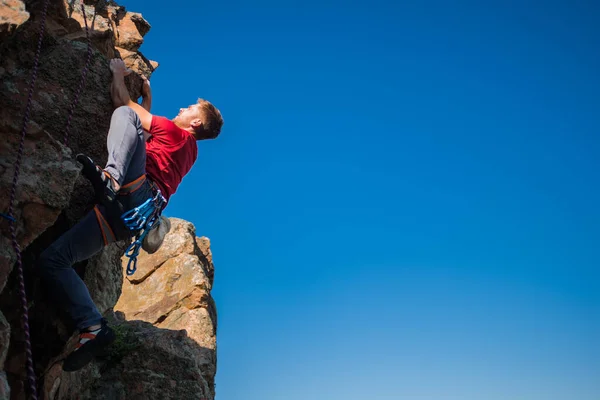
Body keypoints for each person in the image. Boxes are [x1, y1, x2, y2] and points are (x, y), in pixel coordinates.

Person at [37, 58, 224, 372]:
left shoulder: (177, 135)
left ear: (194, 124)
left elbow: (123, 107)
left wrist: (118, 73)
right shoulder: (185, 148)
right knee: (53, 260)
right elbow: (142, 140)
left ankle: (110, 177)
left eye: (190, 107)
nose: (182, 107)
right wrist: (148, 100)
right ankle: (93, 326)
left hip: (130, 194)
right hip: (127, 219)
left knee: (124, 113)